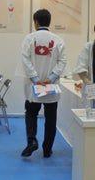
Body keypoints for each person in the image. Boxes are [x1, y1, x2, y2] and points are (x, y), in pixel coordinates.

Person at [20, 9, 67, 158]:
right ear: (49, 22)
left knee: (31, 113)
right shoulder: (58, 40)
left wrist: (35, 78)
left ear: (36, 22)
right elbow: (62, 61)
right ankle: (47, 149)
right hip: (50, 85)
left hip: (34, 85)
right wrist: (51, 77)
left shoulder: (29, 39)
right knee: (50, 118)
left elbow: (25, 60)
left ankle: (32, 140)